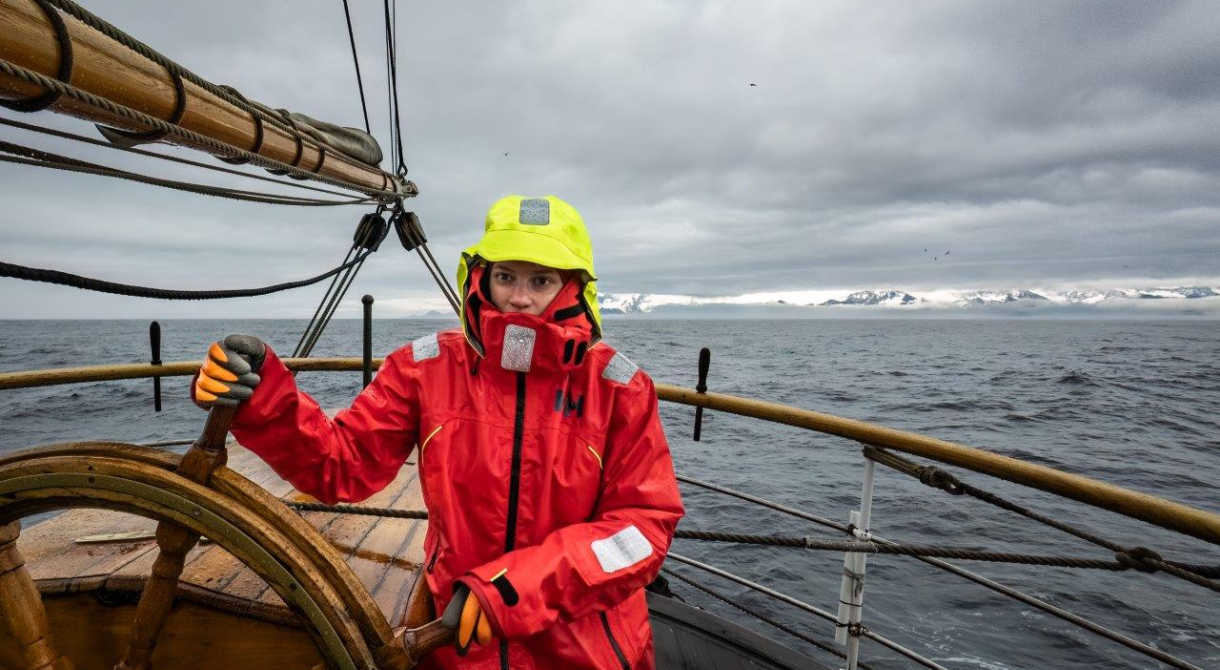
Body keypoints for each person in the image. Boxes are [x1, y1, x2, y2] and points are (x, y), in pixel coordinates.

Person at [192, 194, 685, 670]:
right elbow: (340, 463)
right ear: (480, 278)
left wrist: (515, 591)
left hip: (584, 651)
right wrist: (263, 400)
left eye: (541, 280)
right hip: (456, 648)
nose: (519, 297)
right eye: (505, 275)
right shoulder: (424, 367)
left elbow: (642, 528)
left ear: (572, 287)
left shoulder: (620, 388)